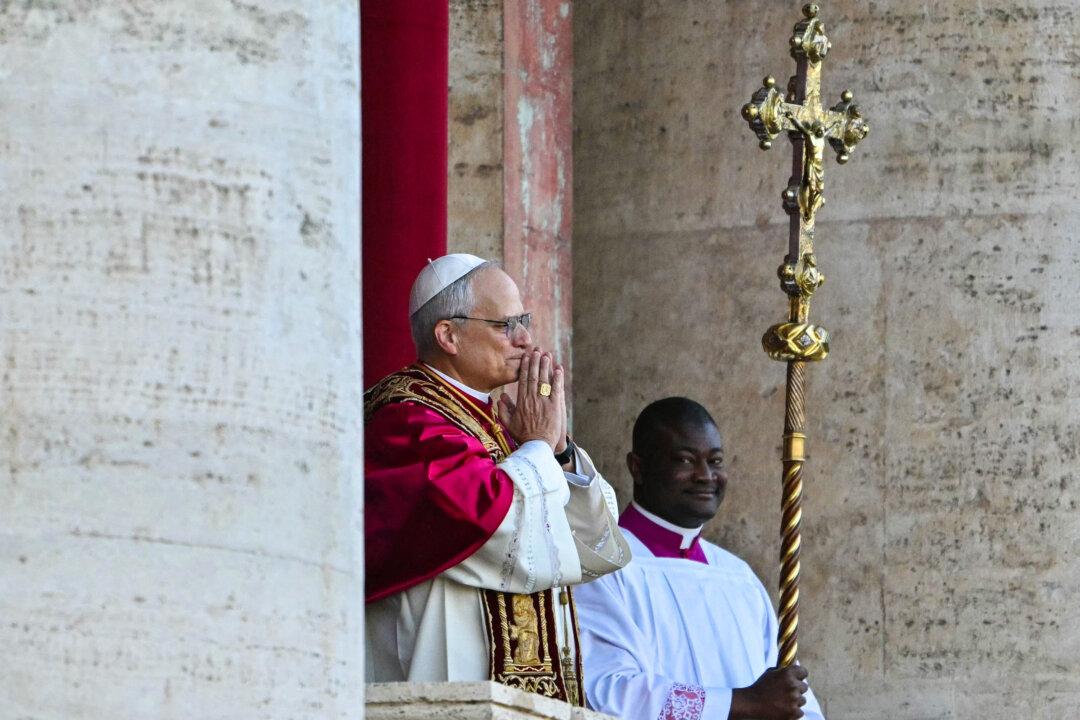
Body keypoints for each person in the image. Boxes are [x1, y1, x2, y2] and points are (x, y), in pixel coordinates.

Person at [365, 253, 629, 706]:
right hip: (443, 685)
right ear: (448, 335)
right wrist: (540, 449)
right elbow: (481, 519)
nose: (526, 340)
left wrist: (559, 450)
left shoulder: (504, 426)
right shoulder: (407, 420)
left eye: (523, 321)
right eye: (505, 325)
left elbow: (589, 548)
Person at [575, 397, 825, 720]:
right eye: (685, 460)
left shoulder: (739, 578)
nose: (706, 475)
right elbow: (610, 691)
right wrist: (743, 704)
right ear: (638, 467)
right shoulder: (603, 566)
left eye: (716, 460)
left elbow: (789, 698)